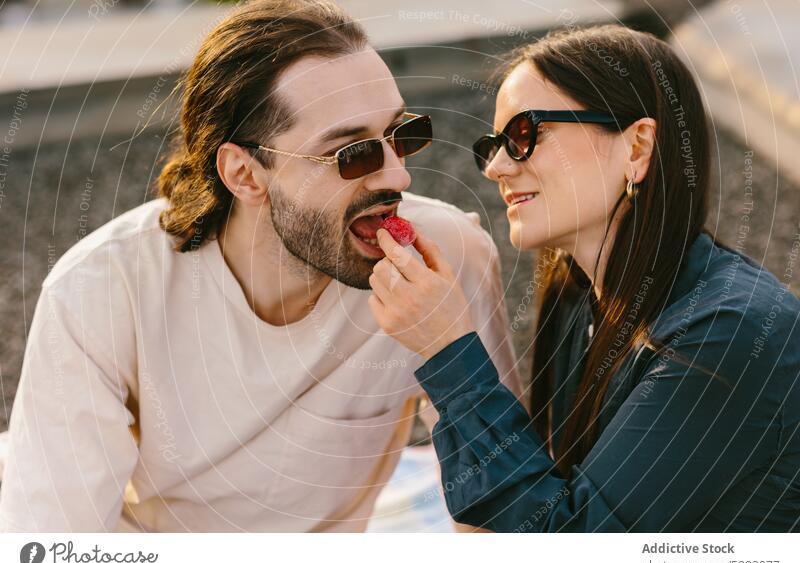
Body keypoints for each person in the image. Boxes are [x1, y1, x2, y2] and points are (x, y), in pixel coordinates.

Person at [0, 0, 521, 532]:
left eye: (403, 134)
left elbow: (500, 506)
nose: (399, 178)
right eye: (352, 153)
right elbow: (53, 544)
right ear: (246, 176)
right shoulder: (101, 291)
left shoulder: (446, 260)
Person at [368, 25, 800, 532]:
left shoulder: (728, 333)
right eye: (493, 144)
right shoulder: (582, 298)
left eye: (525, 134)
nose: (496, 168)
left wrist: (449, 352)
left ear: (637, 147)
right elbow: (555, 487)